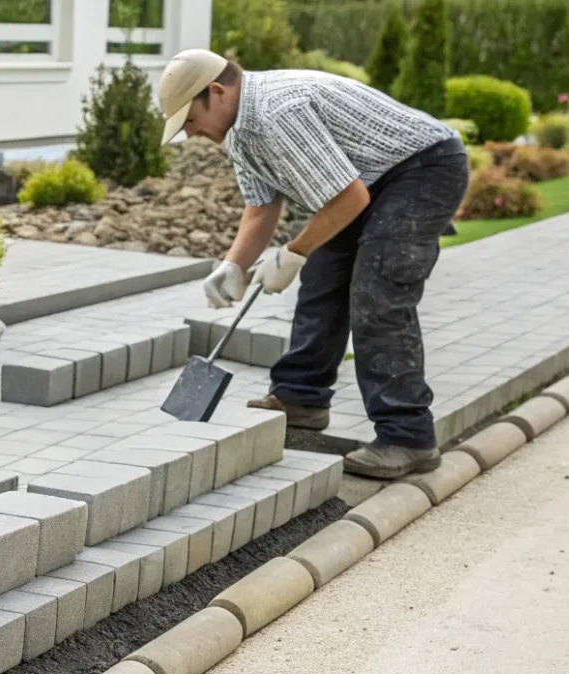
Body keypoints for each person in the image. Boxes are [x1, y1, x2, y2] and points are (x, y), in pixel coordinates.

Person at [157, 49, 468, 479]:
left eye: (190, 121)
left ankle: (408, 438)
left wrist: (293, 253)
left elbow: (349, 197)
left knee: (377, 298)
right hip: (365, 181)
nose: (190, 135)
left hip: (421, 170)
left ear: (216, 92)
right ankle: (301, 398)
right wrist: (234, 265)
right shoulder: (241, 132)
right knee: (322, 283)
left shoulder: (272, 112)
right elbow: (261, 208)